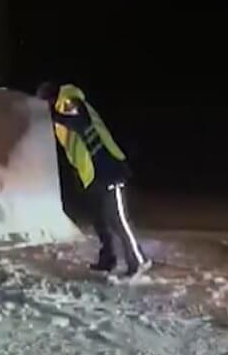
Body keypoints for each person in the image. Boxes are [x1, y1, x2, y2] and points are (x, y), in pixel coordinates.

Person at [37, 81, 149, 276]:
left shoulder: (70, 101)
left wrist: (53, 116)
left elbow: (80, 121)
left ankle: (138, 260)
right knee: (100, 219)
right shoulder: (60, 110)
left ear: (51, 98)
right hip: (93, 174)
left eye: (45, 102)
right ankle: (108, 258)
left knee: (118, 219)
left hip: (108, 167)